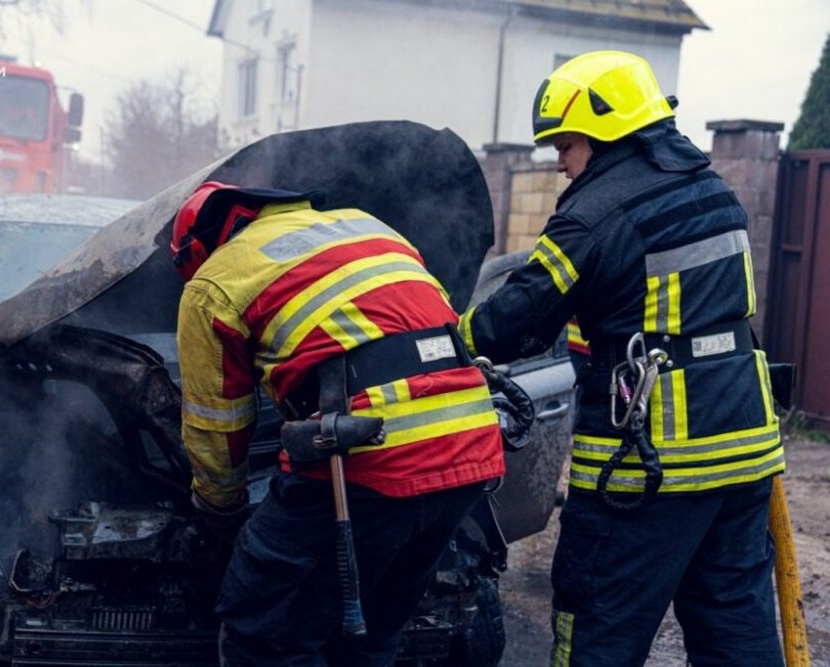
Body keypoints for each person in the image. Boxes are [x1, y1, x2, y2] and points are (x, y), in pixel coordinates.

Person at [457, 51, 785, 666]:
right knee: (735, 625)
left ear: (607, 131)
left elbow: (518, 320)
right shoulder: (715, 191)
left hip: (649, 467)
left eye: (567, 144)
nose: (559, 163)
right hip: (745, 453)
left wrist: (454, 332)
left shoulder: (595, 212)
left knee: (597, 624)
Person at [170, 181, 505, 665]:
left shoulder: (214, 282)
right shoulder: (367, 226)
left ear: (196, 252)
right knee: (371, 638)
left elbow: (216, 425)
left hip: (369, 461)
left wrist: (222, 511)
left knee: (264, 639)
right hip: (470, 447)